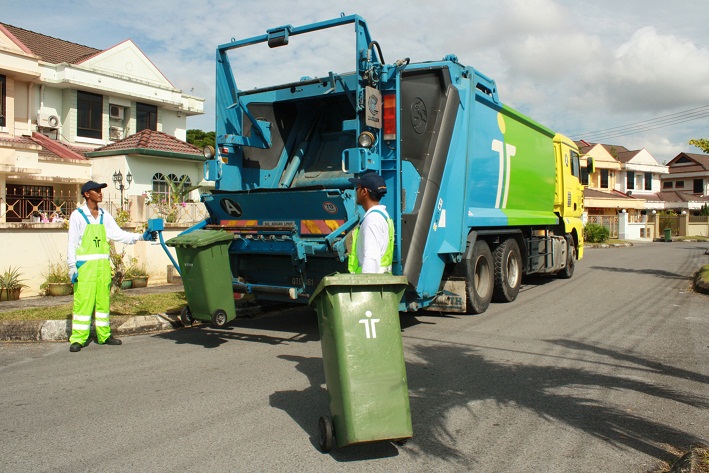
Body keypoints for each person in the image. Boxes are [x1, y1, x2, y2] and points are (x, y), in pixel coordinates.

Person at [66, 180, 156, 353]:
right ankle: (78, 338)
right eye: (96, 191)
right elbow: (72, 242)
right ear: (86, 194)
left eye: (100, 190)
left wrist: (141, 237)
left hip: (102, 267)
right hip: (85, 268)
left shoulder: (104, 215)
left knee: (102, 303)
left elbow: (118, 234)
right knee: (83, 303)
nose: (100, 193)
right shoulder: (77, 215)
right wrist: (72, 266)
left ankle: (104, 335)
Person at [347, 170, 395, 274]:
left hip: (371, 286)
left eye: (357, 188)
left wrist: (365, 286)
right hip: (380, 283)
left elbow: (371, 258)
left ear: (364, 192)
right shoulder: (382, 215)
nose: (355, 192)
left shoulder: (372, 220)